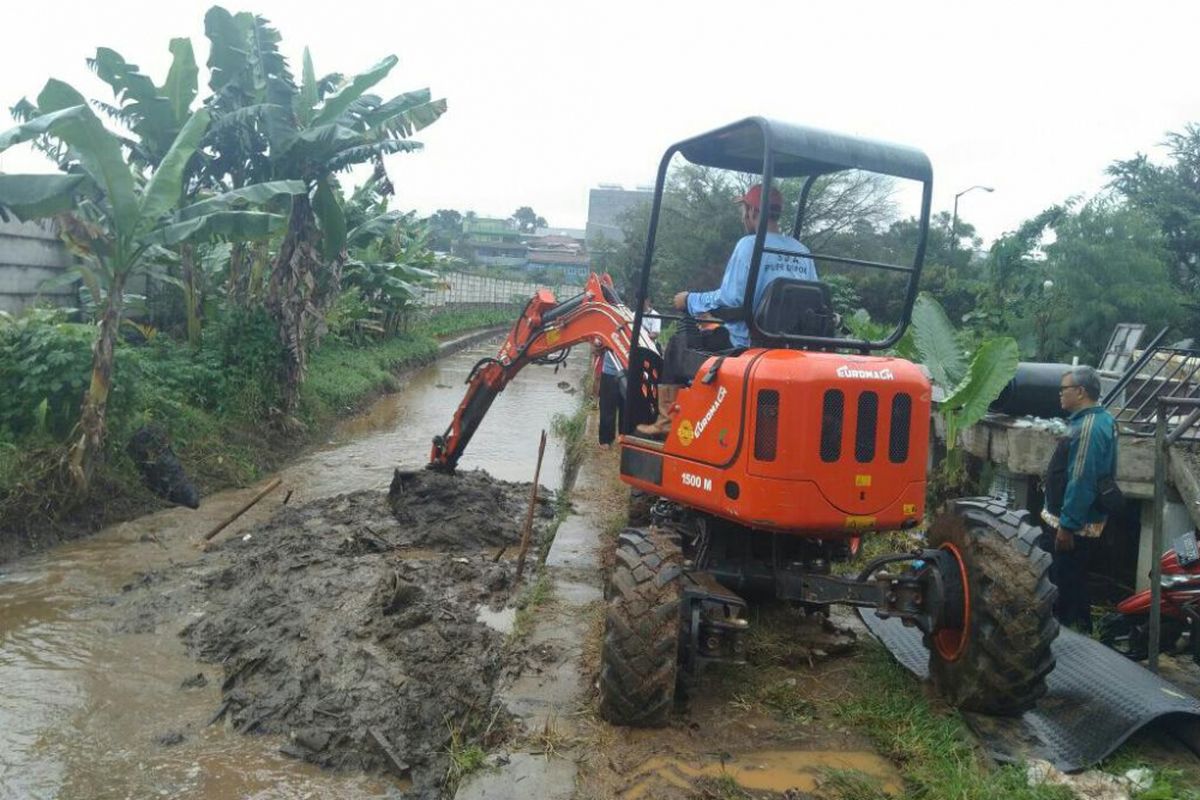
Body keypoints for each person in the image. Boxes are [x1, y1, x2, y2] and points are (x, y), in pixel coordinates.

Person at [636, 184, 817, 437]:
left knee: (678, 345)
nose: (743, 216)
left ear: (754, 212)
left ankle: (666, 422)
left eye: (744, 210)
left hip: (747, 342)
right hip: (790, 347)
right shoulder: (802, 251)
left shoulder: (749, 245)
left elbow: (729, 300)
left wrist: (689, 300)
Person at [1040, 365, 1118, 633]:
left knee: (1063, 580)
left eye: (1065, 389)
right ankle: (1082, 627)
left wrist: (1067, 525)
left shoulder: (1089, 427)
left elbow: (1082, 477)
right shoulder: (1099, 419)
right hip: (1076, 519)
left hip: (1073, 523)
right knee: (1074, 577)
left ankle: (1066, 632)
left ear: (1081, 392)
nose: (1060, 394)